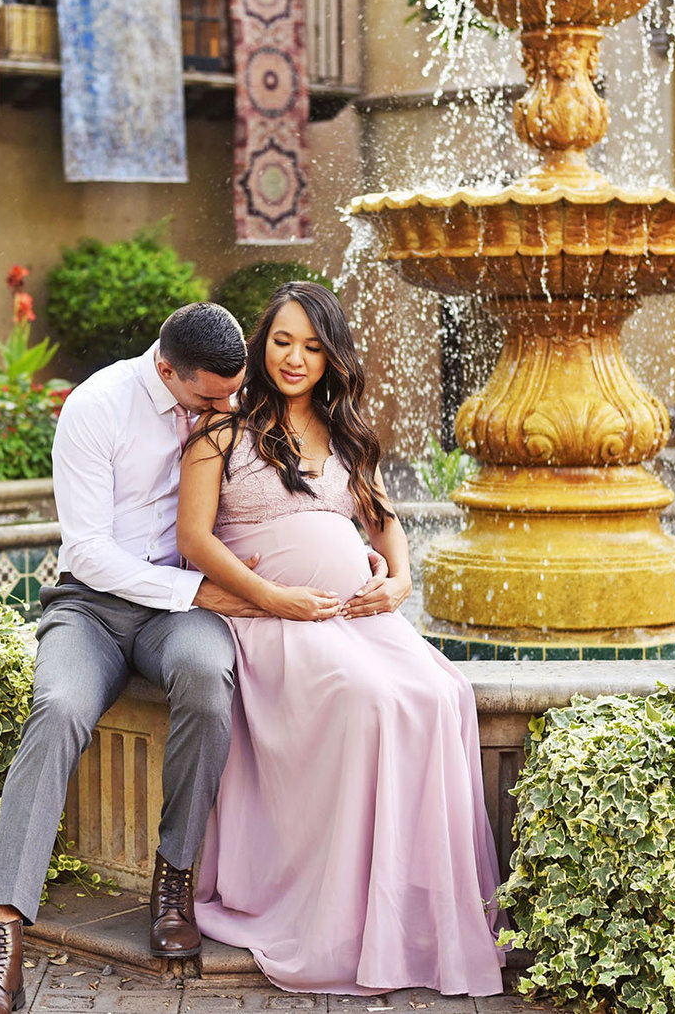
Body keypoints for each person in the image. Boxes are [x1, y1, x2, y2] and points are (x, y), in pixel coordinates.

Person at [176, 282, 506, 997]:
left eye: (314, 346)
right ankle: (342, 912)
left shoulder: (349, 434)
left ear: (333, 357)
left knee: (444, 691)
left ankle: (414, 909)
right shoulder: (220, 433)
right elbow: (193, 539)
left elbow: (386, 524)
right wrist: (272, 597)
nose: (296, 358)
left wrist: (401, 582)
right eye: (283, 341)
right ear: (262, 346)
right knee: (371, 701)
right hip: (270, 622)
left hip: (355, 616)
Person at [0, 303, 253, 1014]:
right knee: (57, 708)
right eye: (213, 397)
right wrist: (199, 588)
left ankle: (174, 881)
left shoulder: (226, 403)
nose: (230, 407)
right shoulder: (96, 407)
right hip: (91, 607)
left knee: (210, 679)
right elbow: (87, 550)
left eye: (235, 391)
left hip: (177, 617)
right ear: (166, 371)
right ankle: (1, 949)